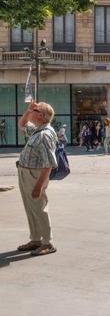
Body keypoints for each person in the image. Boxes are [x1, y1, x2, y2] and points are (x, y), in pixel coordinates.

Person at [16, 101, 58, 256]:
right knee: (30, 208)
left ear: (42, 115)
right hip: (26, 173)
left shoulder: (45, 134)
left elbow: (49, 164)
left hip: (35, 175)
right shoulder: (37, 130)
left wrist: (39, 186)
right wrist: (28, 112)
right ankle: (35, 239)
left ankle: (48, 242)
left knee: (40, 209)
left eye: (35, 110)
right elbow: (21, 124)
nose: (32, 111)